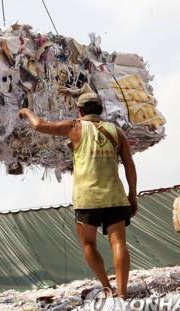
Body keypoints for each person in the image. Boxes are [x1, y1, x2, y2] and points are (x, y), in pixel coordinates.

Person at [18, 92, 137, 298]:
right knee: (118, 243)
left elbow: (39, 125)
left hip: (87, 200)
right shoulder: (116, 131)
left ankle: (107, 289)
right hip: (114, 197)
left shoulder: (74, 127)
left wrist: (26, 111)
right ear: (101, 109)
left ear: (80, 111)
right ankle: (123, 293)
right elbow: (129, 165)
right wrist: (133, 195)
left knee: (88, 244)